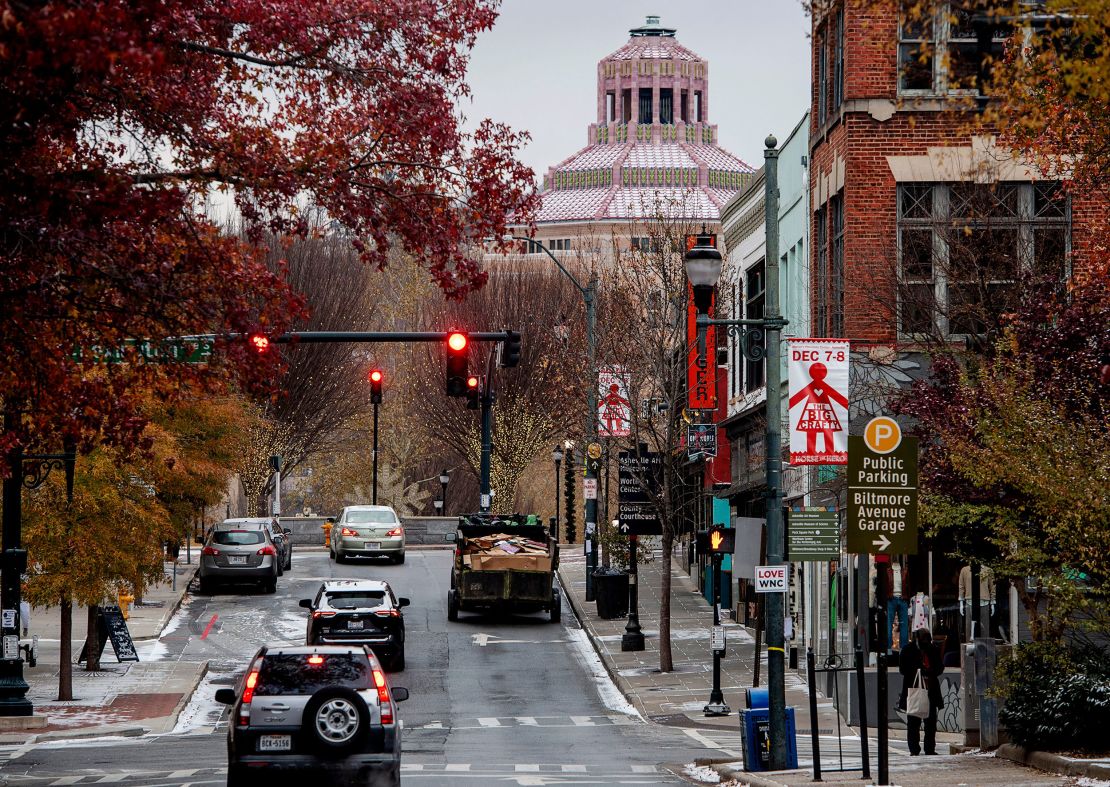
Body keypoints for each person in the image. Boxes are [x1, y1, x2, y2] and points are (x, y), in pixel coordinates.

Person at [899, 627, 944, 755]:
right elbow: (903, 669)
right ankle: (914, 749)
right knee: (913, 722)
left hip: (930, 690)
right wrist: (918, 671)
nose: (927, 641)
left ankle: (929, 748)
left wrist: (929, 671)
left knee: (930, 723)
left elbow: (940, 668)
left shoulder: (932, 649)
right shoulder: (908, 650)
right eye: (924, 638)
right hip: (914, 690)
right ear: (917, 638)